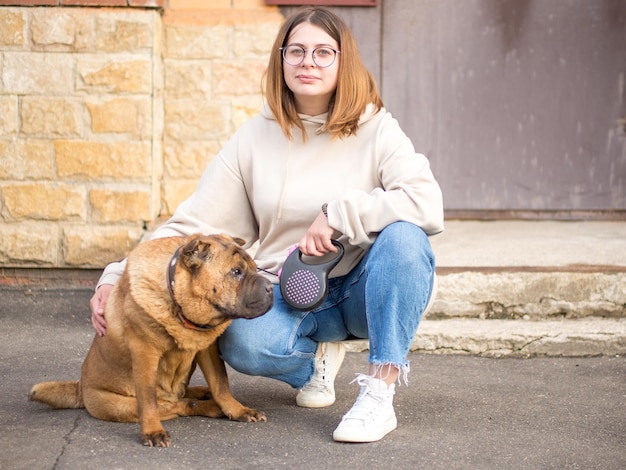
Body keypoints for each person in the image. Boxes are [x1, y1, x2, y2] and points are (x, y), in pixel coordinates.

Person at [90, 6, 444, 443]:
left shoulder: (377, 129)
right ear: (281, 60)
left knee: (406, 237)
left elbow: (427, 203)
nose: (307, 62)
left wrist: (338, 214)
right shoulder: (254, 138)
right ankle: (314, 363)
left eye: (322, 52)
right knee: (241, 343)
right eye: (295, 51)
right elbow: (195, 223)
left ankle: (379, 390)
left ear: (343, 60)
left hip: (363, 289)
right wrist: (117, 275)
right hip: (287, 290)